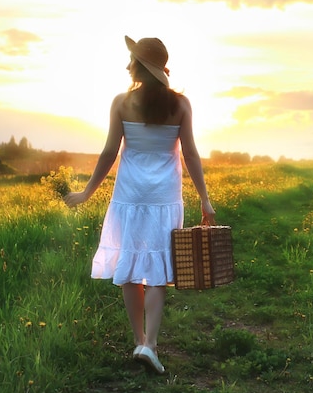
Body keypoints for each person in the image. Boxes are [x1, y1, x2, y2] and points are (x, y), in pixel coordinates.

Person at [64, 35, 216, 374]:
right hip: (164, 196)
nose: (127, 65)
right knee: (159, 271)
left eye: (131, 59)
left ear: (139, 66)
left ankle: (139, 339)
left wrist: (87, 192)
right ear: (161, 69)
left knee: (130, 267)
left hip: (130, 195)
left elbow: (109, 153)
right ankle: (151, 345)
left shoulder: (121, 102)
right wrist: (205, 199)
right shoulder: (181, 104)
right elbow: (190, 153)